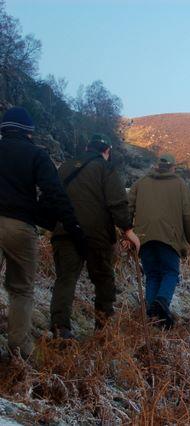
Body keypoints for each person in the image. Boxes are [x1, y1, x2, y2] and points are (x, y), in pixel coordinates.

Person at [0, 107, 85, 357]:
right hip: (20, 227)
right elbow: (55, 193)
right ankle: (20, 348)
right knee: (21, 289)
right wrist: (73, 228)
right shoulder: (36, 155)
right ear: (28, 133)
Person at [50, 134, 140, 338]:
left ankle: (60, 329)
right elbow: (117, 201)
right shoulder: (105, 168)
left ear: (86, 148)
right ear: (106, 151)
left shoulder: (65, 167)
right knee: (103, 280)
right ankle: (103, 330)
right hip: (96, 234)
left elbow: (51, 197)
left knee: (65, 279)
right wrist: (128, 230)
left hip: (65, 231)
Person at [129, 154, 190, 328]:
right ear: (173, 167)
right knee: (170, 273)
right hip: (169, 238)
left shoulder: (141, 183)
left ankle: (153, 318)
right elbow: (188, 215)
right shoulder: (180, 185)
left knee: (152, 275)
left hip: (143, 238)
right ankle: (161, 302)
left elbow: (128, 207)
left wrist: (128, 232)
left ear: (156, 166)